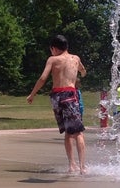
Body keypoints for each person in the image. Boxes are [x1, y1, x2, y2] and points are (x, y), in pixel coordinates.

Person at [26, 35, 88, 175]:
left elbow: (43, 78)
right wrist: (80, 75)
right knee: (78, 132)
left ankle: (72, 165)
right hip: (70, 96)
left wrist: (32, 94)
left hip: (56, 97)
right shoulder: (75, 58)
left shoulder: (52, 60)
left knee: (68, 131)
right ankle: (82, 167)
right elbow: (83, 71)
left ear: (54, 48)